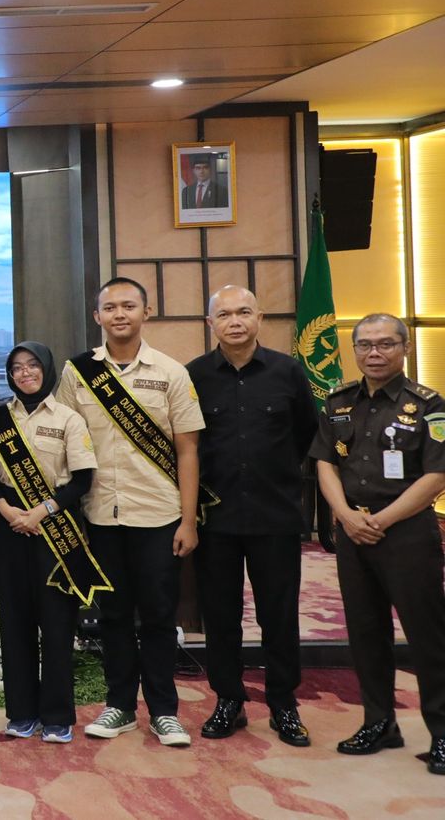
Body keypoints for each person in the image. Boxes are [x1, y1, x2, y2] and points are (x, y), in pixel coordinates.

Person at [57, 276, 206, 747]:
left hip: (158, 516)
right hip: (100, 514)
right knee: (114, 615)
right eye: (110, 307)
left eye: (128, 306)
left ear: (146, 313)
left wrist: (188, 520)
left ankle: (164, 711)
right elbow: (60, 438)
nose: (119, 314)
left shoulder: (171, 373)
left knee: (159, 617)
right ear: (97, 316)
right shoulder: (77, 372)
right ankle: (120, 706)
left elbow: (188, 451)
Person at [310, 314, 445, 775]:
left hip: (407, 534)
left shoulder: (428, 405)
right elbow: (324, 463)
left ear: (404, 348)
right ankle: (379, 722)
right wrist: (346, 516)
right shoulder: (338, 401)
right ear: (354, 349)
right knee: (366, 633)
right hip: (354, 533)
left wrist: (382, 519)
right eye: (365, 344)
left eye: (386, 344)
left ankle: (442, 733)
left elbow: (437, 475)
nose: (374, 352)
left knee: (428, 636)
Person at [185, 286, 319, 747]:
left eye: (244, 312)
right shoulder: (194, 376)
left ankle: (284, 704)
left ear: (259, 318)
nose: (235, 321)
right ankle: (229, 701)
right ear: (211, 324)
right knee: (221, 616)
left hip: (274, 515)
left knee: (279, 615)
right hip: (215, 519)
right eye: (224, 314)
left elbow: (306, 435)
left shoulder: (287, 371)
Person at [0, 341, 102, 744]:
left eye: (32, 366)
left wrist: (41, 511)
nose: (25, 373)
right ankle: (22, 713)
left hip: (56, 529)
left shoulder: (69, 419)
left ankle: (58, 715)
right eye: (16, 368)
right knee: (15, 623)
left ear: (46, 369)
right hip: (9, 527)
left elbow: (82, 480)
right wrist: (9, 511)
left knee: (57, 622)